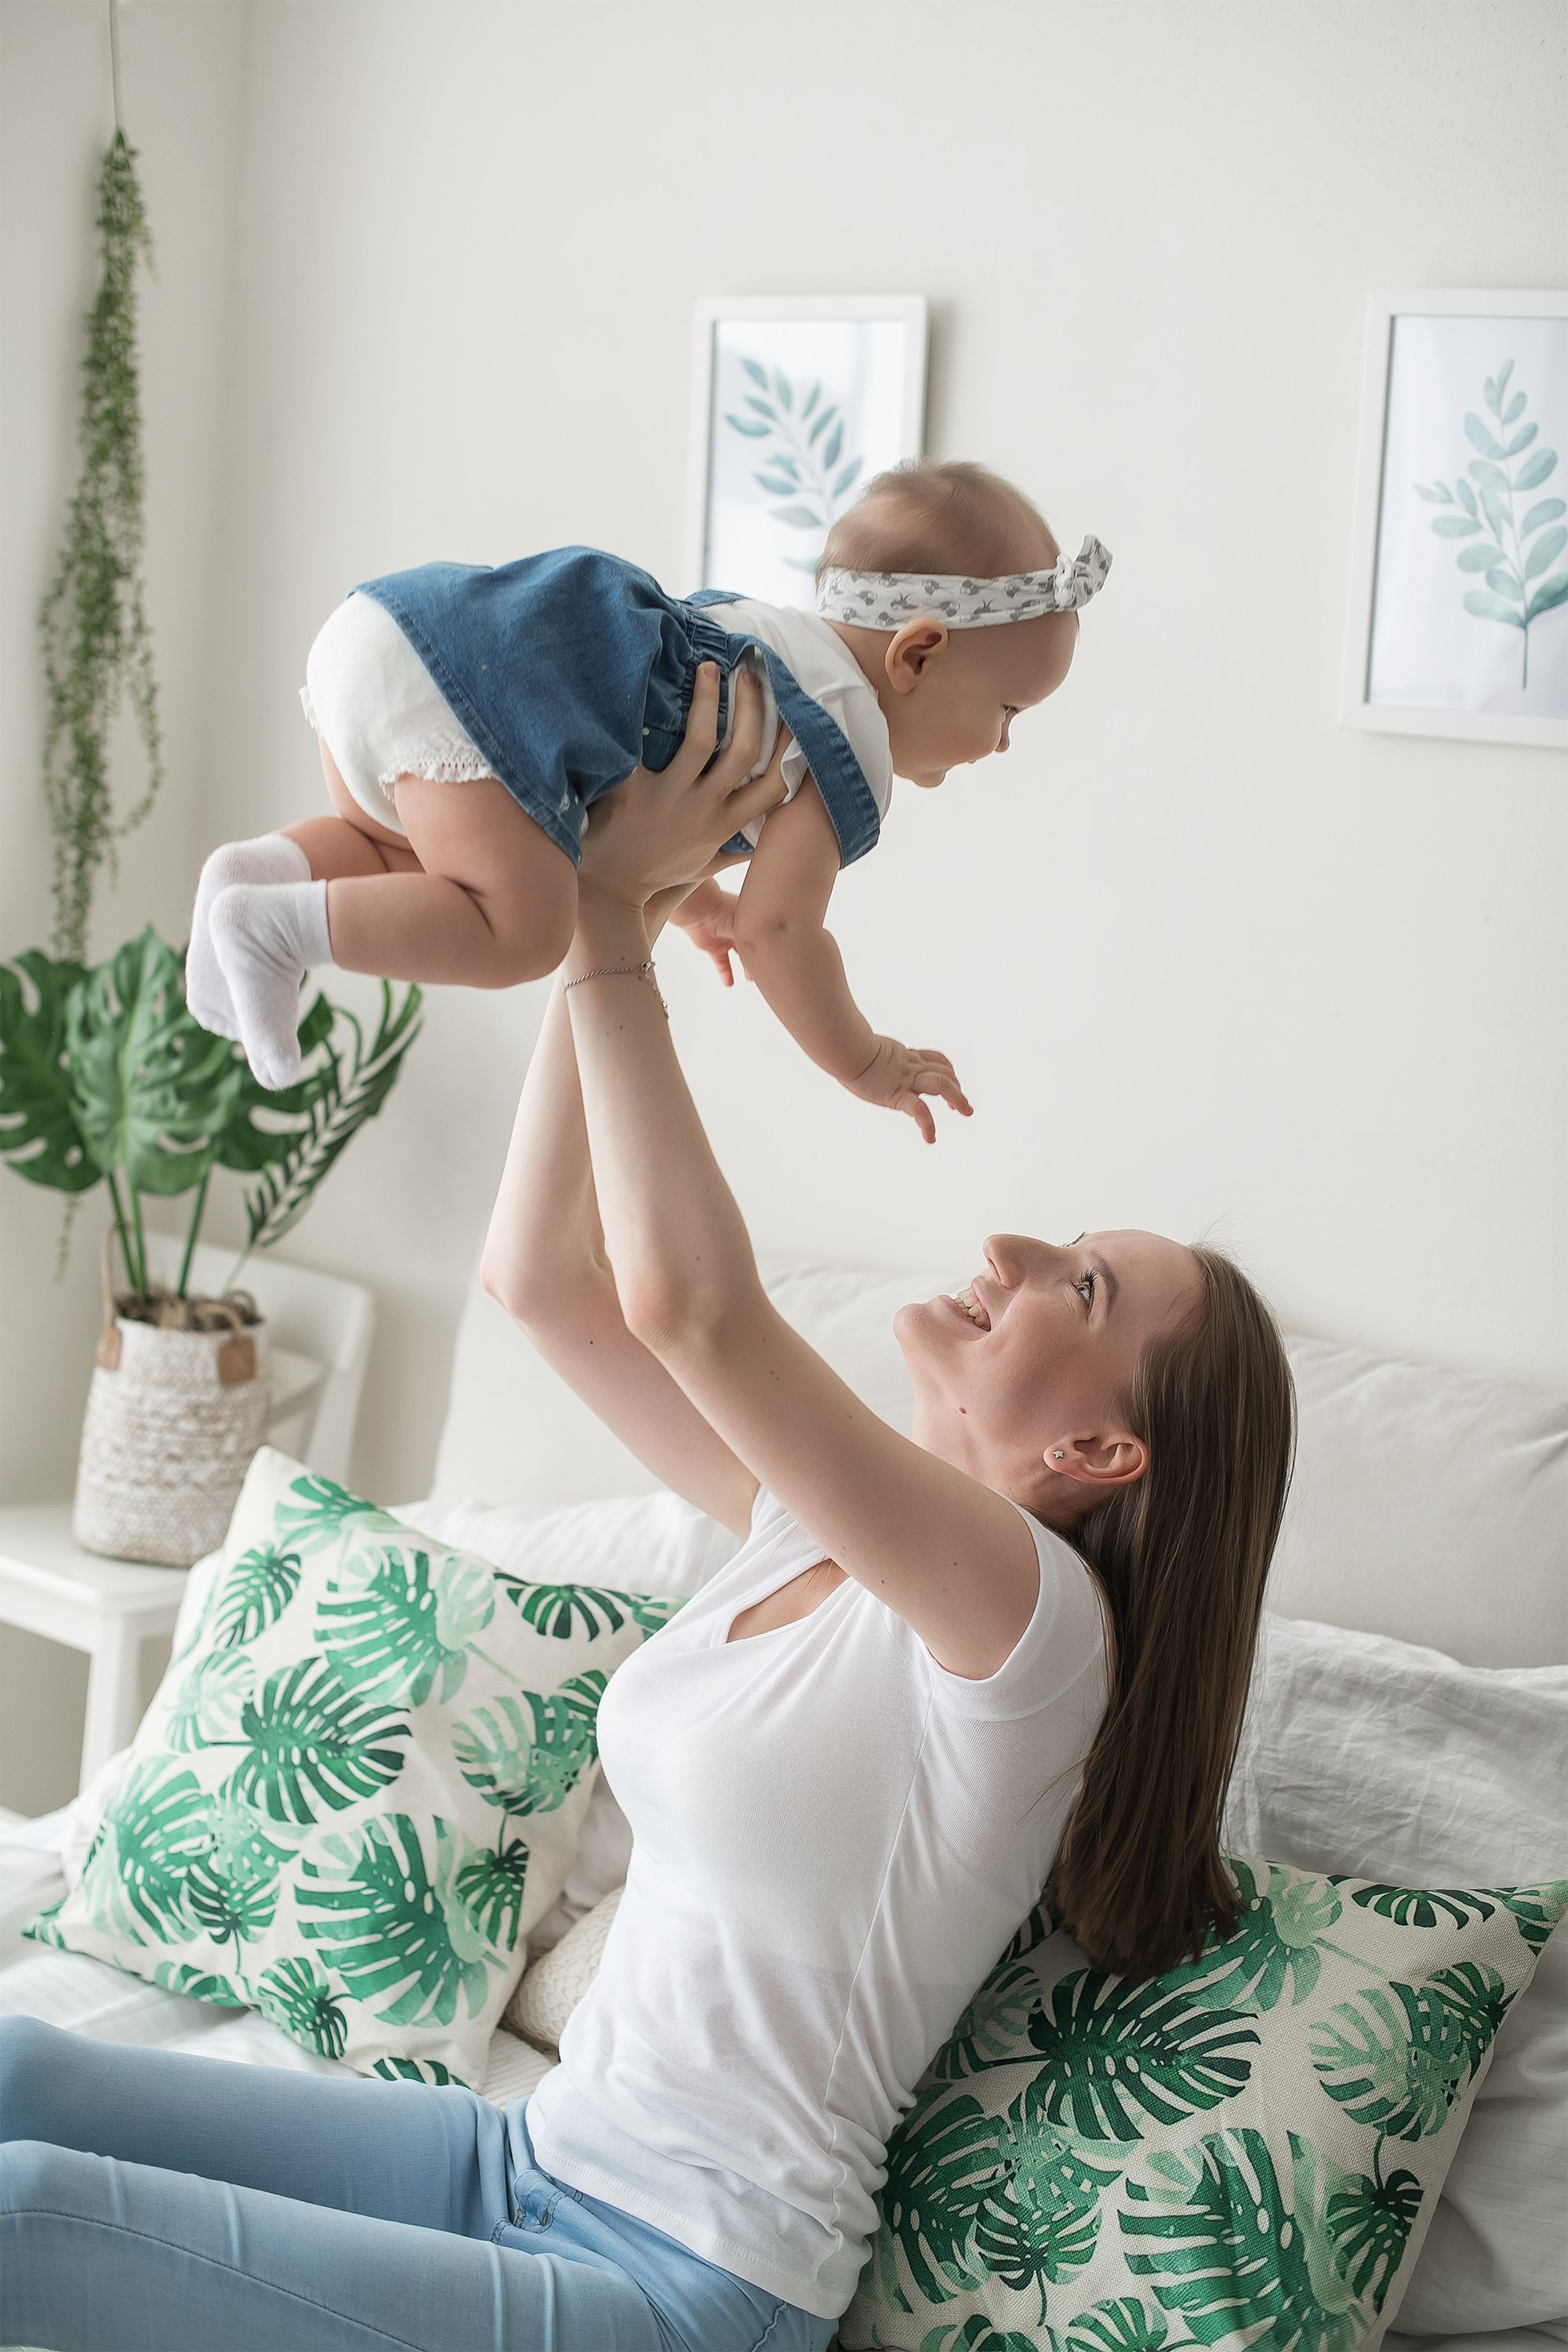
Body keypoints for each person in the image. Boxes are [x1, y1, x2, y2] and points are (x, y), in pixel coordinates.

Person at [0, 674, 1294, 2352]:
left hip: (682, 2288)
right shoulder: (810, 1538)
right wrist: (594, 900)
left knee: (24, 2217)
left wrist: (612, 912)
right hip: (526, 2161)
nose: (1009, 1251)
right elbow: (545, 1279)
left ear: (1108, 1453)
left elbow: (694, 1307)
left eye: (1083, 1286)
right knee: (17, 2072)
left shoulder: (1037, 1628)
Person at [184, 460, 1108, 1138]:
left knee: (404, 855)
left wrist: (699, 904)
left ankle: (259, 873)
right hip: (472, 687)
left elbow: (640, 780)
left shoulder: (759, 636)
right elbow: (780, 933)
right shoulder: (848, 739)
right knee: (522, 931)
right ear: (916, 654)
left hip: (391, 635)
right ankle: (276, 932)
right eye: (1007, 711)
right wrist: (868, 1063)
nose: (1001, 744)